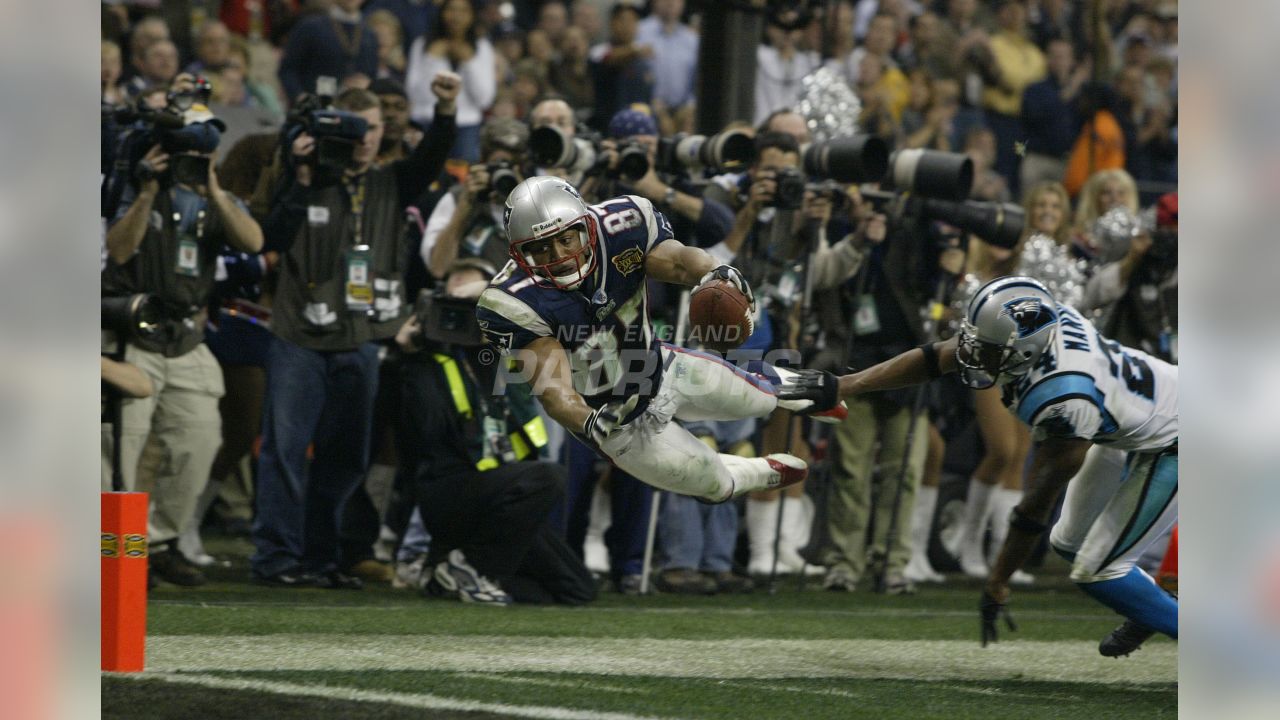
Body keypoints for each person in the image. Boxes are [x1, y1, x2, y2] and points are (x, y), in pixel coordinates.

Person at [781, 275, 1178, 656]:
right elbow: (937, 356)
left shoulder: (1064, 396)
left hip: (1180, 437)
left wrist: (997, 581)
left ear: (1024, 352)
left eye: (984, 349)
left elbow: (1035, 505)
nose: (970, 354)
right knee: (1069, 546)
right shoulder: (1034, 333)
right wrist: (842, 386)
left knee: (1098, 571)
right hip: (1132, 420)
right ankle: (1149, 607)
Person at [475, 176, 846, 506]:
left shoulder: (623, 223)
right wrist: (589, 421)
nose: (558, 256)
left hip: (663, 367)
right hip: (617, 425)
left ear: (587, 226)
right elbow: (555, 391)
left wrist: (715, 271)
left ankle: (786, 386)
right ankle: (747, 471)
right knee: (716, 485)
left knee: (760, 399)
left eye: (566, 238)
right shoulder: (510, 301)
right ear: (518, 254)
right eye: (540, 249)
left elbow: (681, 261)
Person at [250, 73, 460, 588]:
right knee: (285, 452)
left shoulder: (390, 180)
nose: (366, 137)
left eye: (373, 126)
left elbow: (432, 157)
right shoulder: (303, 176)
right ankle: (277, 558)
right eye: (354, 127)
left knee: (345, 460)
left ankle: (323, 559)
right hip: (298, 334)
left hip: (360, 337)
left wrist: (447, 110)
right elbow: (269, 235)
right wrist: (299, 174)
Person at [103, 106, 265, 587]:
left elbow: (252, 242)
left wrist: (214, 188)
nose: (190, 166)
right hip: (135, 335)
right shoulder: (132, 191)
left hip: (187, 337)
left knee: (199, 440)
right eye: (185, 158)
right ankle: (120, 551)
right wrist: (148, 190)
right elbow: (118, 250)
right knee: (123, 450)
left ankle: (157, 542)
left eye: (200, 158)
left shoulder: (212, 202)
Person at [391, 259, 596, 606]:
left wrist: (493, 299)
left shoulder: (514, 354)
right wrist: (410, 354)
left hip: (506, 497)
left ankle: (451, 576)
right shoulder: (425, 364)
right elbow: (419, 433)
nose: (470, 316)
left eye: (479, 306)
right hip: (451, 492)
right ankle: (470, 566)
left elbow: (560, 317)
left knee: (578, 590)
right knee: (549, 477)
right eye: (458, 305)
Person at [405, 0, 495, 162]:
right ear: (441, 13)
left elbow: (484, 99)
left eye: (463, 11)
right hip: (427, 122)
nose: (456, 17)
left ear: (472, 16)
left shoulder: (482, 48)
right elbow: (414, 95)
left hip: (466, 127)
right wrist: (432, 58)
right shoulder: (422, 45)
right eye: (451, 10)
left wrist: (468, 62)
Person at [277, 0, 379, 102]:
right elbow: (288, 69)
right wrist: (300, 96)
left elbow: (372, 74)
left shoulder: (370, 35)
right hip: (316, 108)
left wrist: (369, 85)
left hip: (356, 108)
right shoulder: (310, 27)